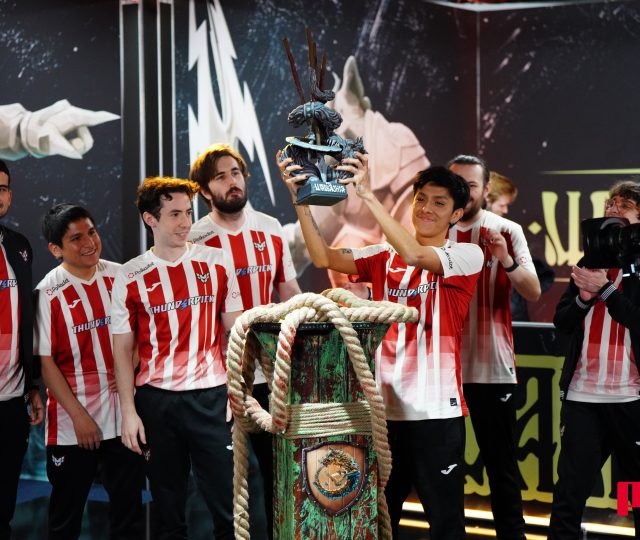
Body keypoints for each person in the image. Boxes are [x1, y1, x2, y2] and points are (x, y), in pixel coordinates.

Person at [280, 152, 483, 540]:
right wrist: (300, 201)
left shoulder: (466, 255)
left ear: (457, 215)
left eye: (439, 203)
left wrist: (367, 194)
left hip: (437, 414)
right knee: (378, 520)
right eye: (421, 199)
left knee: (446, 524)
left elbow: (415, 254)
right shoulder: (382, 256)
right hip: (382, 414)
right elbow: (322, 256)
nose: (426, 208)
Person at [111, 177, 249, 540]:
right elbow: (121, 351)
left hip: (212, 399)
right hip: (157, 404)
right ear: (150, 219)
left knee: (229, 511)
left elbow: (237, 332)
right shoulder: (129, 275)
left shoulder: (217, 262)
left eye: (188, 212)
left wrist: (237, 390)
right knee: (168, 514)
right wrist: (128, 411)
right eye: (175, 214)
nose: (186, 222)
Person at [188, 143, 300, 536]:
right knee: (228, 481)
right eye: (220, 177)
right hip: (221, 378)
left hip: (272, 374)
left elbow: (289, 292)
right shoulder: (195, 238)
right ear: (205, 190)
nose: (232, 182)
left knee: (277, 472)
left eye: (235, 173)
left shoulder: (270, 227)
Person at [34, 204, 144, 540]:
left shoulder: (121, 275)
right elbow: (45, 363)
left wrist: (131, 365)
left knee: (128, 516)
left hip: (123, 420)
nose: (89, 243)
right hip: (73, 427)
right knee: (65, 521)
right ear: (56, 249)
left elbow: (144, 332)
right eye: (76, 238)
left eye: (92, 232)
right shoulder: (47, 293)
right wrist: (79, 418)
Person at [447, 155, 541, 540]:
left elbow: (533, 291)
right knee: (443, 470)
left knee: (501, 467)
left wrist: (504, 258)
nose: (464, 192)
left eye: (471, 185)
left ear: (486, 189)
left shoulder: (507, 229)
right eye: (457, 183)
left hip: (492, 368)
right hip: (442, 372)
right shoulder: (433, 230)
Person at [549, 180, 640, 538]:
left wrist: (605, 290)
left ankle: (625, 517)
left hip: (631, 402)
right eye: (610, 204)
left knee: (633, 490)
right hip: (583, 399)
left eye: (625, 205)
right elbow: (562, 322)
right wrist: (584, 299)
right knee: (569, 493)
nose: (613, 209)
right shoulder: (587, 263)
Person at [0, 159, 43, 540]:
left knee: (3, 509)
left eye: (2, 188)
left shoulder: (18, 246)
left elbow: (25, 318)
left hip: (12, 401)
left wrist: (32, 386)